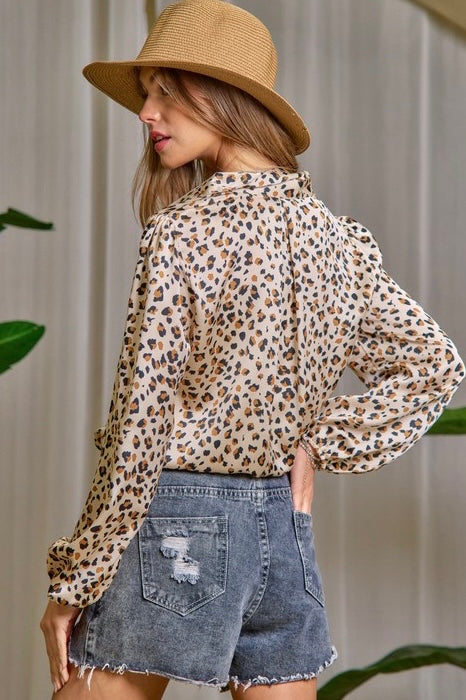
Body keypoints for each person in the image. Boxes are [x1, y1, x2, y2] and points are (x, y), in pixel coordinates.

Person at [40, 1, 465, 698]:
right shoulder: (336, 240)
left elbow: (141, 429)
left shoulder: (182, 233)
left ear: (218, 96)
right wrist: (317, 442)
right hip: (283, 527)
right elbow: (435, 364)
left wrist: (76, 579)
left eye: (163, 91)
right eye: (146, 93)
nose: (145, 112)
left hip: (180, 524)